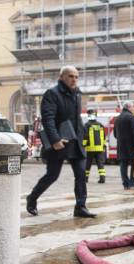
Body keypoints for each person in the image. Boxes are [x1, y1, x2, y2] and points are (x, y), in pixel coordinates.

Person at [26, 65, 96, 218]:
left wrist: (82, 134)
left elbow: (76, 118)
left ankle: (80, 206)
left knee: (80, 174)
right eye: (71, 76)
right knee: (52, 175)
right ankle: (32, 198)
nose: (74, 79)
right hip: (59, 142)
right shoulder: (52, 94)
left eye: (76, 77)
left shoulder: (77, 94)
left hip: (75, 141)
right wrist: (55, 139)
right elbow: (48, 119)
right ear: (62, 77)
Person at [114, 101, 134, 190]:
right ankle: (132, 182)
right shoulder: (132, 118)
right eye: (133, 107)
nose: (133, 109)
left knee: (123, 164)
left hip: (121, 145)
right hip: (132, 145)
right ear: (129, 107)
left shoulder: (117, 118)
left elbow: (115, 134)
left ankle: (126, 184)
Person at [83, 110, 107, 183]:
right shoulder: (100, 125)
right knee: (100, 164)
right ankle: (102, 178)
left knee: (87, 164)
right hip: (99, 148)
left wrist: (83, 145)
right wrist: (103, 146)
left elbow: (85, 136)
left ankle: (85, 178)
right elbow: (104, 137)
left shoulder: (87, 125)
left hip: (90, 148)